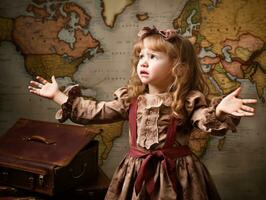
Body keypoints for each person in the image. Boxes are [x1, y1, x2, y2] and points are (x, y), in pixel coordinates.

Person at [28, 26, 257, 200]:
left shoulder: (187, 101)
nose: (143, 62)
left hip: (179, 174)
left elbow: (204, 120)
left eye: (153, 57)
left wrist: (218, 109)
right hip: (135, 170)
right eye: (141, 56)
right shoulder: (131, 99)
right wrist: (58, 96)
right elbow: (97, 111)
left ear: (178, 67)